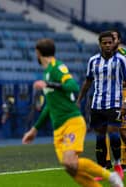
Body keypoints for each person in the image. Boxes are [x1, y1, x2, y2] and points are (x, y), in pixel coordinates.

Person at [22, 38, 124, 187]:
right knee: (70, 168)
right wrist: (34, 129)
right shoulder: (47, 73)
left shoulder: (57, 67)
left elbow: (73, 86)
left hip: (72, 122)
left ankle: (111, 176)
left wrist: (49, 84)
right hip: (58, 129)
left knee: (70, 161)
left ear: (38, 53)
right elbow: (49, 106)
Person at [76, 31, 126, 180]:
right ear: (100, 44)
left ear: (114, 43)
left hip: (115, 103)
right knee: (99, 137)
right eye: (104, 43)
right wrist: (79, 100)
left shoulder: (121, 60)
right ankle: (102, 169)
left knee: (114, 134)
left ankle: (117, 164)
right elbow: (88, 82)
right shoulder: (93, 61)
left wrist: (125, 102)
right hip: (97, 104)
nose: (107, 45)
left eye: (110, 42)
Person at [112, 29, 126, 169]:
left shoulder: (124, 54)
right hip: (114, 95)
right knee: (118, 129)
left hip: (124, 93)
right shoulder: (106, 56)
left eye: (114, 38)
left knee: (122, 129)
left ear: (119, 41)